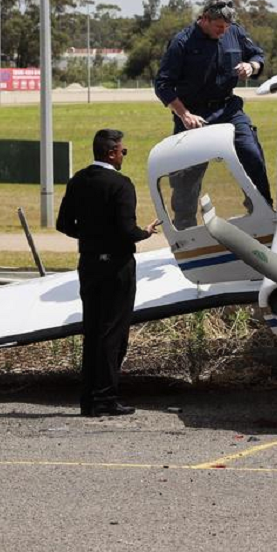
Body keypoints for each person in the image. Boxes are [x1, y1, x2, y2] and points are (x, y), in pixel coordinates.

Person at [56, 128, 160, 417]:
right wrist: (145, 233)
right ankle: (105, 397)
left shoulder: (78, 180)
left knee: (92, 328)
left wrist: (91, 236)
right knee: (113, 332)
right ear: (112, 153)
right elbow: (127, 230)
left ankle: (88, 398)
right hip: (116, 264)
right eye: (123, 151)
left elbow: (64, 224)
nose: (123, 156)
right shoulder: (121, 184)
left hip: (89, 263)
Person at [153, 0, 273, 228]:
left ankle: (263, 213)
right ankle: (185, 228)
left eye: (226, 27)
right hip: (194, 115)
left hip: (228, 109)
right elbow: (163, 85)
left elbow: (257, 55)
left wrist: (252, 66)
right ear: (205, 19)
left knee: (252, 154)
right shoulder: (182, 42)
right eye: (219, 27)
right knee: (186, 176)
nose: (223, 32)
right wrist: (184, 114)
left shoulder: (234, 31)